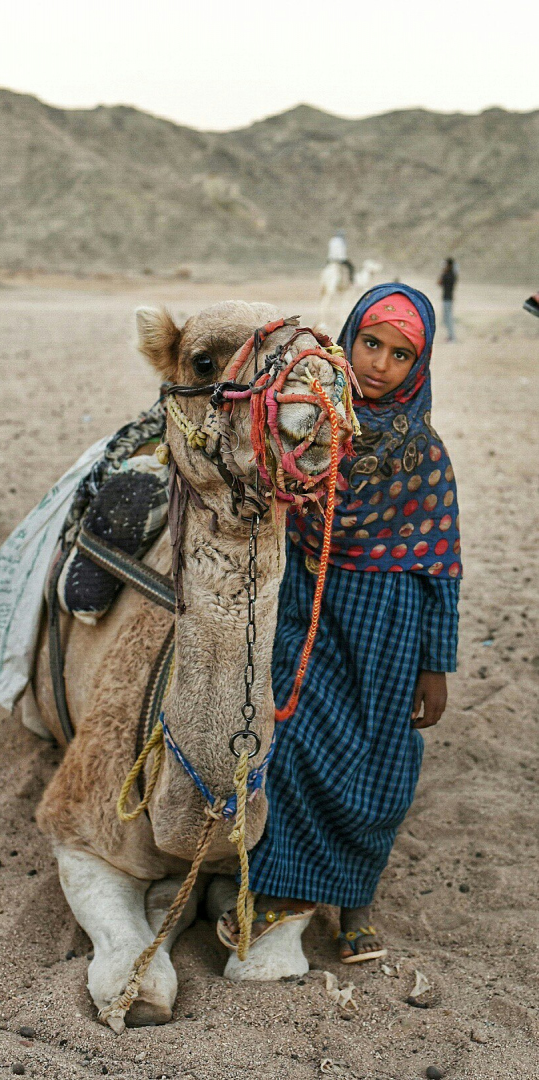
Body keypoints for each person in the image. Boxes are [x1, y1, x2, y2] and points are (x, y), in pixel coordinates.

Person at [219, 284, 462, 963]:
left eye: (399, 354)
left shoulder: (423, 452)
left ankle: (355, 902)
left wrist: (434, 664)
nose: (379, 364)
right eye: (370, 343)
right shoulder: (311, 424)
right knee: (292, 749)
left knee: (380, 770)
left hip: (390, 629)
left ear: (419, 366)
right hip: (312, 612)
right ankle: (274, 892)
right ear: (347, 339)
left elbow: (440, 563)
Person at [438, 258, 458, 342]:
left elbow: (439, 282)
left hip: (447, 299)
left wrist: (443, 273)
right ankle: (451, 336)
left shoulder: (448, 275)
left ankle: (452, 337)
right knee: (446, 318)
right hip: (448, 298)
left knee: (448, 319)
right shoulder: (453, 274)